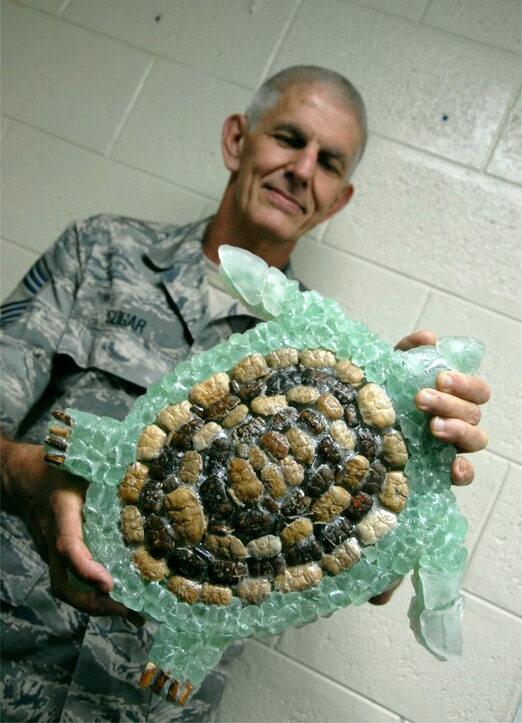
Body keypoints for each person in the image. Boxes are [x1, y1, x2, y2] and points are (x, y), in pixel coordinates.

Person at [0, 66, 490, 721]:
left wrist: (416, 452)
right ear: (238, 140)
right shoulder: (100, 251)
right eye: (289, 138)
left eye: (329, 162)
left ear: (338, 198)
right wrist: (32, 475)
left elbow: (375, 582)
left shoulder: (332, 346)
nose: (302, 169)